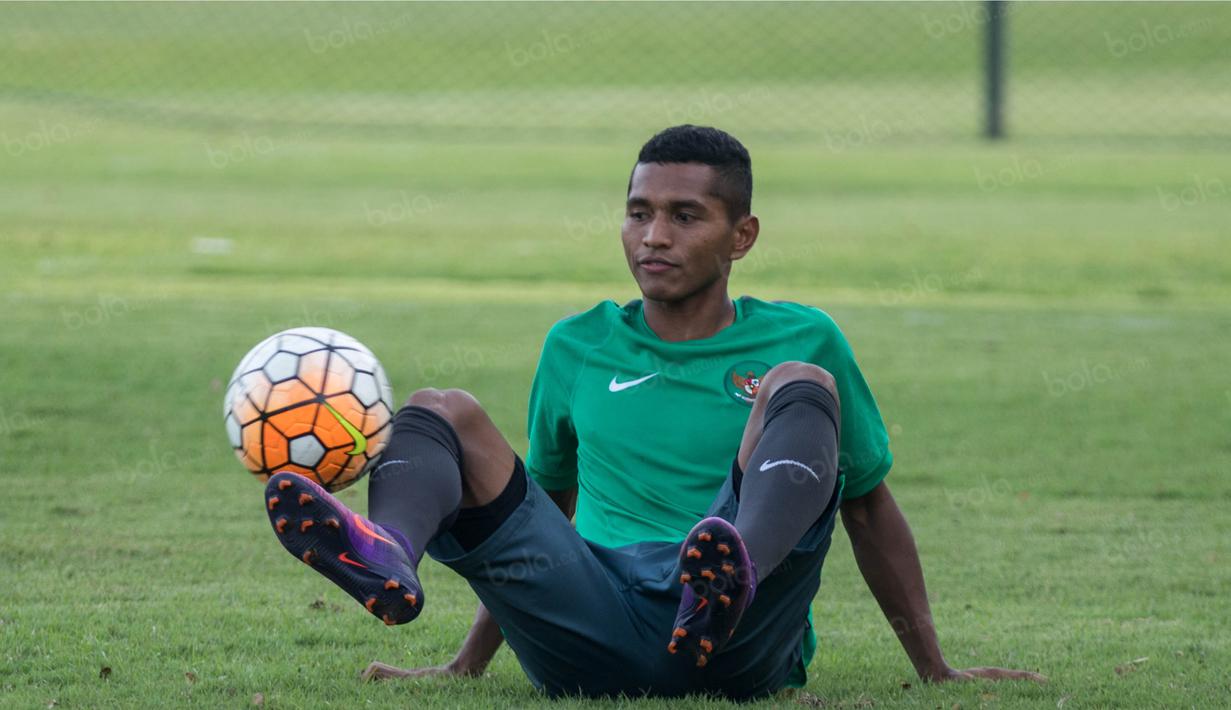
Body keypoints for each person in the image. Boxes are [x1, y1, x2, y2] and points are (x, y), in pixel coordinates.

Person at [263, 125, 1045, 698]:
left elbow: (866, 506)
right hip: (588, 623)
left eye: (684, 216)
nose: (653, 237)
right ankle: (387, 549)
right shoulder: (578, 344)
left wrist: (934, 667)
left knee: (797, 381)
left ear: (742, 236)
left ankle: (730, 573)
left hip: (734, 644)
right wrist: (466, 663)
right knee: (443, 408)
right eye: (638, 213)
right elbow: (541, 510)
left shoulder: (802, 336)